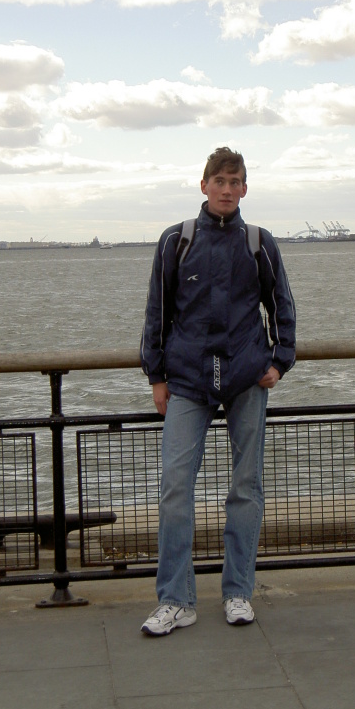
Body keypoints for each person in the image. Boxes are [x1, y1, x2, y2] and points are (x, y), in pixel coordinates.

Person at [139, 147, 296, 636]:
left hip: (247, 376)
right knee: (174, 488)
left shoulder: (259, 243)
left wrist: (280, 360)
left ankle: (238, 592)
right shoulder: (176, 240)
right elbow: (157, 311)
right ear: (203, 185)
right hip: (187, 379)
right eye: (219, 181)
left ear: (245, 188)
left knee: (246, 486)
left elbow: (281, 304)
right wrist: (157, 376)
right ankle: (176, 600)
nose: (227, 189)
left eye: (235, 182)